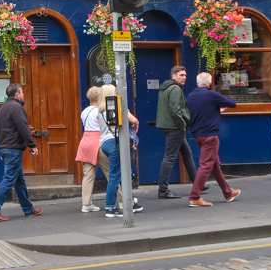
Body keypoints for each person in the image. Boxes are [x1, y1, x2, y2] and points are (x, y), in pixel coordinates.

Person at [0, 83, 42, 221]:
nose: (23, 94)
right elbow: (23, 127)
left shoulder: (2, 108)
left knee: (19, 181)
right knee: (8, 179)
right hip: (13, 149)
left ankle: (28, 209)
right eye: (22, 92)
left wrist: (0, 148)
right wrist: (32, 145)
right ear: (17, 94)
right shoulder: (17, 107)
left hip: (6, 148)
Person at [186, 72, 241, 207]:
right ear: (209, 83)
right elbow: (232, 103)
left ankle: (228, 192)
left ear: (197, 82)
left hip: (197, 134)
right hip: (210, 135)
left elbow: (200, 112)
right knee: (205, 166)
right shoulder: (212, 94)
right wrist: (226, 97)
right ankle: (195, 197)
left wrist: (216, 110)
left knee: (215, 164)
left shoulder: (191, 96)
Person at [155, 66, 206, 199]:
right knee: (170, 157)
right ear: (174, 76)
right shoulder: (176, 89)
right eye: (181, 75)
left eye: (185, 75)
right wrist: (182, 124)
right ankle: (163, 190)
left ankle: (197, 183)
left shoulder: (165, 88)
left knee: (186, 152)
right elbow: (175, 110)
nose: (184, 77)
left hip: (167, 125)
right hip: (174, 127)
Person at [98, 84, 143, 218]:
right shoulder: (119, 106)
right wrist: (135, 125)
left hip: (104, 143)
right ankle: (110, 207)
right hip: (115, 143)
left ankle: (130, 202)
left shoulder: (99, 110)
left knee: (121, 173)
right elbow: (134, 120)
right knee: (115, 176)